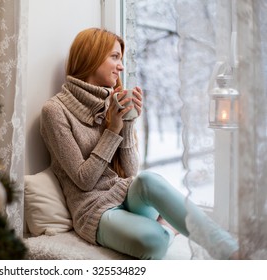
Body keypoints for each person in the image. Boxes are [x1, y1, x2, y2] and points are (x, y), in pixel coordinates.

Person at [40, 27, 239, 260]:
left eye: (121, 59)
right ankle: (168, 228)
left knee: (148, 179)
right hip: (94, 210)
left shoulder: (111, 102)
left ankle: (231, 252)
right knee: (153, 242)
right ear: (92, 57)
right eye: (115, 57)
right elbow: (84, 181)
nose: (121, 66)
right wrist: (113, 129)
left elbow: (130, 172)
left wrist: (128, 123)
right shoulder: (55, 111)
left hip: (125, 194)